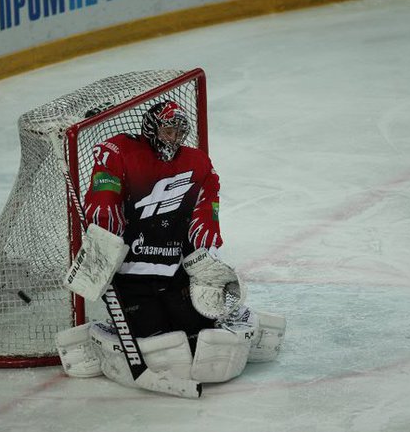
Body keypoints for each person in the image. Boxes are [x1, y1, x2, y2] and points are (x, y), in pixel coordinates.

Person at [56, 101, 285, 391]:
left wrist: (203, 252)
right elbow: (104, 197)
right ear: (151, 128)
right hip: (130, 278)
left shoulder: (196, 162)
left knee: (198, 340)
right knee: (161, 346)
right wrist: (103, 234)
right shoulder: (120, 151)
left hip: (175, 275)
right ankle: (100, 336)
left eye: (179, 132)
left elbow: (207, 206)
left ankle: (231, 319)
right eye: (168, 130)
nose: (173, 139)